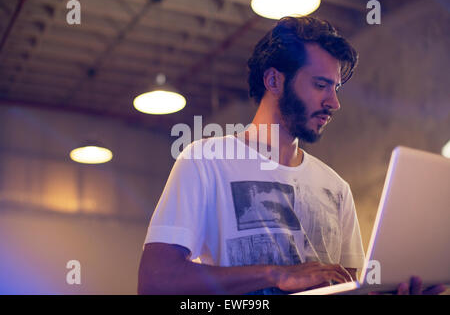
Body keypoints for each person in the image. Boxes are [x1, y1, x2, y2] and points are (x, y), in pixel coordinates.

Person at [137, 16, 446, 295]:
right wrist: (276, 274)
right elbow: (155, 281)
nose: (334, 102)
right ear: (274, 81)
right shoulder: (205, 160)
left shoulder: (337, 189)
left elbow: (352, 287)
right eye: (321, 85)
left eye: (336, 87)